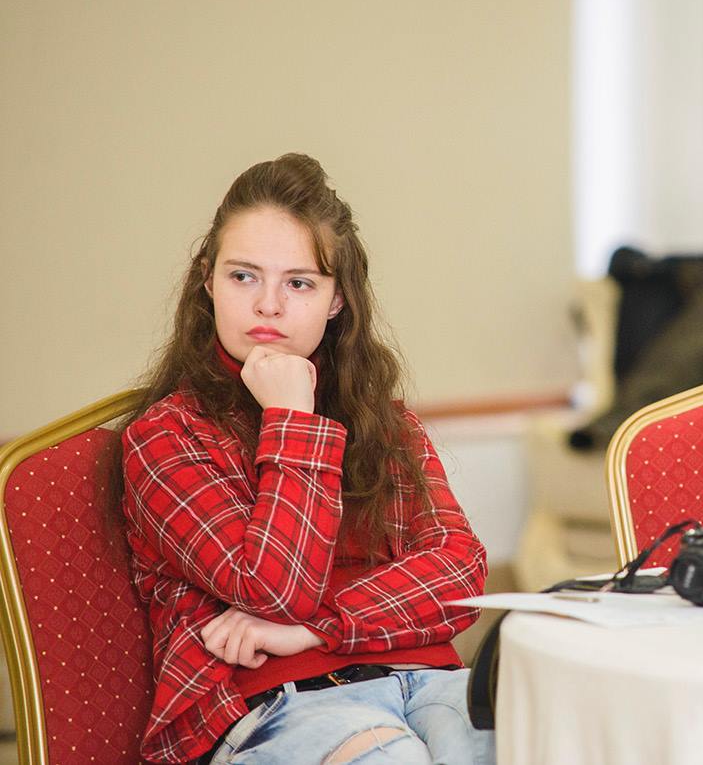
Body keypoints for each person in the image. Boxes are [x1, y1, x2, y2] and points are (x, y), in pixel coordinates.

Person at [119, 154, 494, 764]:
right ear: (208, 282)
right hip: (275, 703)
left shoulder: (384, 421)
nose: (268, 305)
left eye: (299, 283)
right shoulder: (166, 436)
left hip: (428, 680)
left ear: (336, 299)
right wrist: (290, 418)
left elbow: (459, 573)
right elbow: (274, 589)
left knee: (539, 738)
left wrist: (316, 629)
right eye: (244, 277)